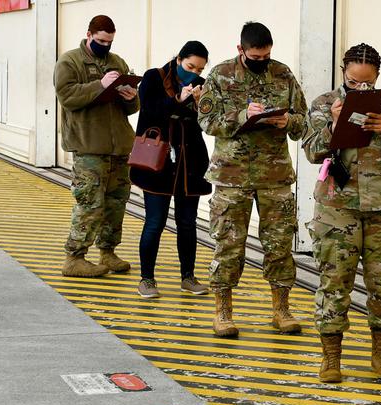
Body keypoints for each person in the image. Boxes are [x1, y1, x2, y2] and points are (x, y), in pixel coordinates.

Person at [302, 44, 381, 383]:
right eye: (354, 82)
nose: (361, 90)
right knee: (334, 283)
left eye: (368, 84)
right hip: (337, 208)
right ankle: (331, 359)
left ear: (378, 78)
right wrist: (334, 125)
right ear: (343, 73)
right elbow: (309, 149)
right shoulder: (325, 104)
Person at [197, 21, 309, 338]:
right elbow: (207, 120)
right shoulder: (219, 75)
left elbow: (303, 123)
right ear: (241, 50)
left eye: (266, 56)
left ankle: (281, 310)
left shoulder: (283, 74)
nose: (262, 62)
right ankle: (222, 313)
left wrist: (288, 120)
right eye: (255, 57)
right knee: (228, 246)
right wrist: (244, 116)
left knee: (280, 245)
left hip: (275, 176)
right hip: (232, 176)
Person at [54, 15, 139, 277]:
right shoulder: (70, 62)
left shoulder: (117, 62)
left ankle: (108, 251)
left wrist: (131, 96)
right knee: (90, 203)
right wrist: (99, 85)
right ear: (89, 35)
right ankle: (74, 257)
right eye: (101, 41)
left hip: (119, 148)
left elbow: (132, 109)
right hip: (88, 147)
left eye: (110, 41)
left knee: (116, 203)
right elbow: (67, 96)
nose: (106, 46)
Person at [131, 41, 212, 298]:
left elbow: (207, 124)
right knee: (155, 221)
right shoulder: (154, 77)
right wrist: (179, 100)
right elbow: (151, 112)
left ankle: (188, 276)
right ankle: (147, 279)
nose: (194, 72)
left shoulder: (201, 84)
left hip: (190, 162)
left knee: (187, 223)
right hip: (158, 162)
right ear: (178, 59)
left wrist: (200, 105)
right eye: (190, 66)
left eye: (199, 69)